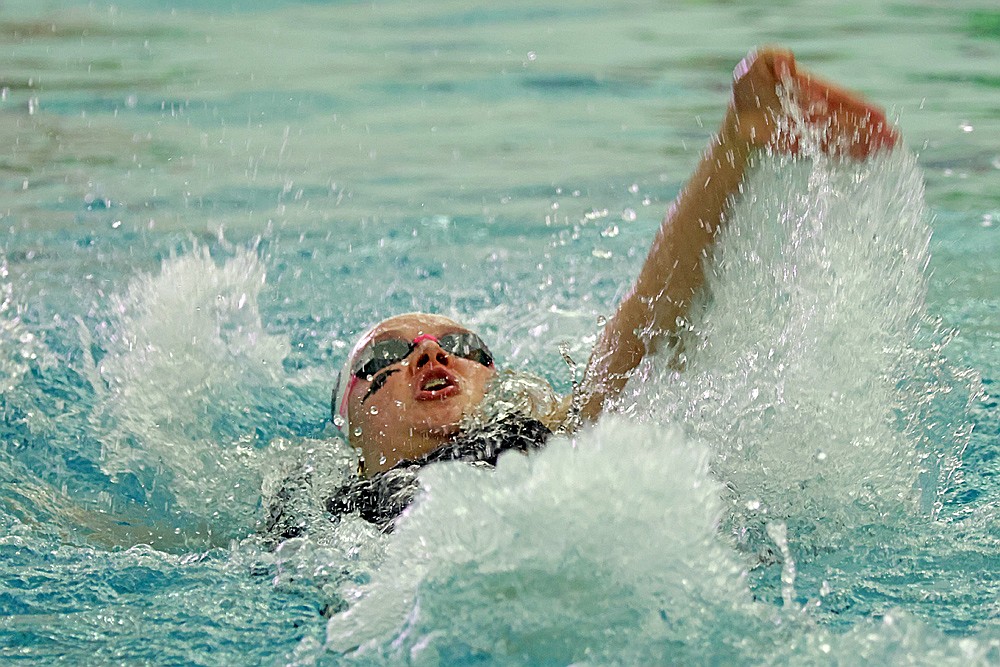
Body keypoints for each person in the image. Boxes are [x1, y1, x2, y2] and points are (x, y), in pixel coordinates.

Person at [266, 47, 898, 538]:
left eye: (461, 345)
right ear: (347, 424)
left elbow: (644, 329)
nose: (430, 356)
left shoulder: (541, 447)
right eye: (386, 356)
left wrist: (738, 139)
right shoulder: (319, 515)